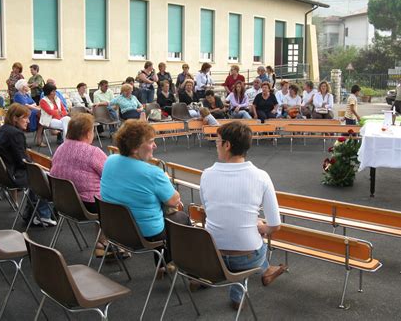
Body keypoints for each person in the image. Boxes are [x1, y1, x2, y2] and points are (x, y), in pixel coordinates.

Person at [200, 122, 286, 310]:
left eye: (218, 141)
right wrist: (261, 226)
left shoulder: (206, 175)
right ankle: (240, 291)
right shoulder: (261, 176)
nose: (216, 144)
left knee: (242, 230)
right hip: (246, 257)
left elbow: (210, 211)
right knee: (254, 239)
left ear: (227, 145)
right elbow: (275, 226)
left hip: (210, 255)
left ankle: (207, 278)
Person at [101, 120, 190, 269]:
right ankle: (183, 267)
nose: (155, 145)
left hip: (112, 229)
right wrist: (166, 182)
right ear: (135, 148)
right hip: (143, 235)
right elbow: (174, 201)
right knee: (181, 218)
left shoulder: (110, 160)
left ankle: (164, 264)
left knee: (156, 215)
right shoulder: (153, 173)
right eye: (150, 142)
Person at [50, 113, 108, 255]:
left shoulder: (61, 148)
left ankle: (105, 242)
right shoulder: (93, 152)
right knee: (115, 198)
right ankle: (103, 242)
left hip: (63, 202)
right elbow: (112, 176)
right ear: (88, 133)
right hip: (87, 205)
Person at [0, 103, 56, 226]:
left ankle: (33, 213)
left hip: (1, 173)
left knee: (39, 173)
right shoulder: (16, 134)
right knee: (46, 177)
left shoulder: (2, 130)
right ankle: (42, 215)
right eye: (25, 118)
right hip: (12, 175)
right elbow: (22, 161)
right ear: (15, 118)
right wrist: (38, 167)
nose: (28, 121)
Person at [13, 79, 44, 145]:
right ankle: (39, 137)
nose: (28, 87)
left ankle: (39, 137)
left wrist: (32, 106)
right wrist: (36, 109)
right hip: (23, 112)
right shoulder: (17, 95)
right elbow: (25, 106)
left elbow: (34, 103)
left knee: (42, 116)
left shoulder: (26, 95)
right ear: (23, 87)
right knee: (41, 115)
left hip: (31, 110)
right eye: (27, 85)